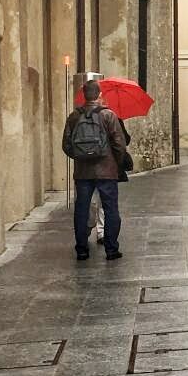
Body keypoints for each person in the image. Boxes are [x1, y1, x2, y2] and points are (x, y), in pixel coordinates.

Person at [62, 80, 126, 261]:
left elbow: (66, 145)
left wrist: (81, 157)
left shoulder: (74, 116)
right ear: (99, 94)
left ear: (83, 95)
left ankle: (82, 250)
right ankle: (111, 249)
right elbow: (119, 144)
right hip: (106, 171)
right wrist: (116, 163)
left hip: (83, 173)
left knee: (81, 209)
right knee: (110, 209)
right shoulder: (109, 115)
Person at [90, 111, 132, 245]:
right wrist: (117, 163)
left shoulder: (85, 117)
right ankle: (102, 233)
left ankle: (91, 230)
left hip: (88, 166)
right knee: (106, 202)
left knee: (91, 201)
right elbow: (124, 141)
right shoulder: (114, 118)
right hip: (108, 167)